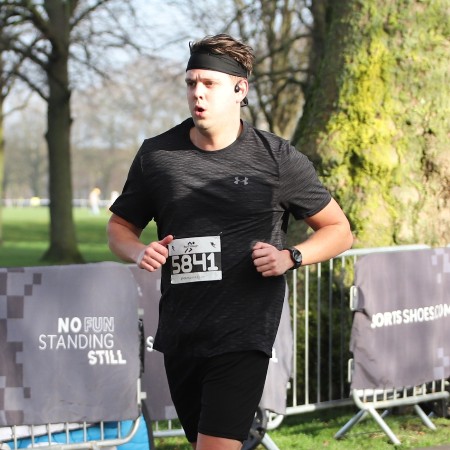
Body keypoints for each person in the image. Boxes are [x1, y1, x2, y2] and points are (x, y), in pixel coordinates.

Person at [107, 34, 353, 450]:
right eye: (191, 83)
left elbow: (339, 230)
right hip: (183, 332)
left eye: (209, 83)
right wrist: (139, 250)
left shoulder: (275, 158)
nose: (197, 93)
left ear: (240, 90)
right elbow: (119, 228)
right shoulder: (157, 156)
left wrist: (291, 257)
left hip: (244, 333)